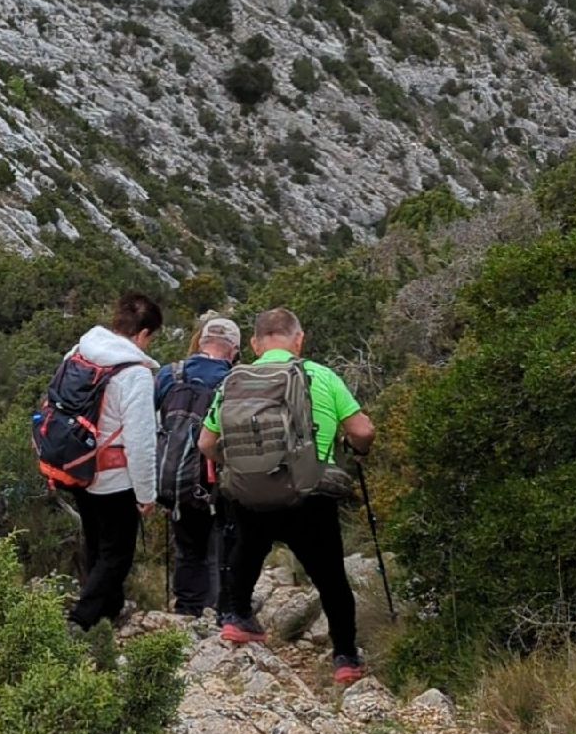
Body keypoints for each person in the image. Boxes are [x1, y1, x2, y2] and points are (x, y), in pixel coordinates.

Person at [205, 306, 375, 686]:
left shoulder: (232, 382)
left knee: (247, 549)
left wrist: (240, 466)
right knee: (330, 576)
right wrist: (356, 448)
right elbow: (363, 431)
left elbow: (206, 442)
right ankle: (345, 657)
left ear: (255, 344)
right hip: (309, 493)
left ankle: (238, 618)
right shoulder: (321, 375)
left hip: (251, 492)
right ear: (299, 340)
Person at [65, 289, 164, 630]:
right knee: (117, 554)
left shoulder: (79, 351)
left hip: (78, 464)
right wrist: (146, 494)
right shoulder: (134, 373)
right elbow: (140, 441)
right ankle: (82, 620)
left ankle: (110, 610)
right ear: (144, 333)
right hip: (113, 477)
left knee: (96, 543)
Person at [152, 313, 240, 618]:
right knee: (221, 545)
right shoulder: (235, 381)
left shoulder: (170, 374)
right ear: (233, 350)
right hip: (217, 479)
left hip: (175, 477)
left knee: (188, 547)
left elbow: (149, 421)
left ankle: (187, 611)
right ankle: (218, 611)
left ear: (201, 342)